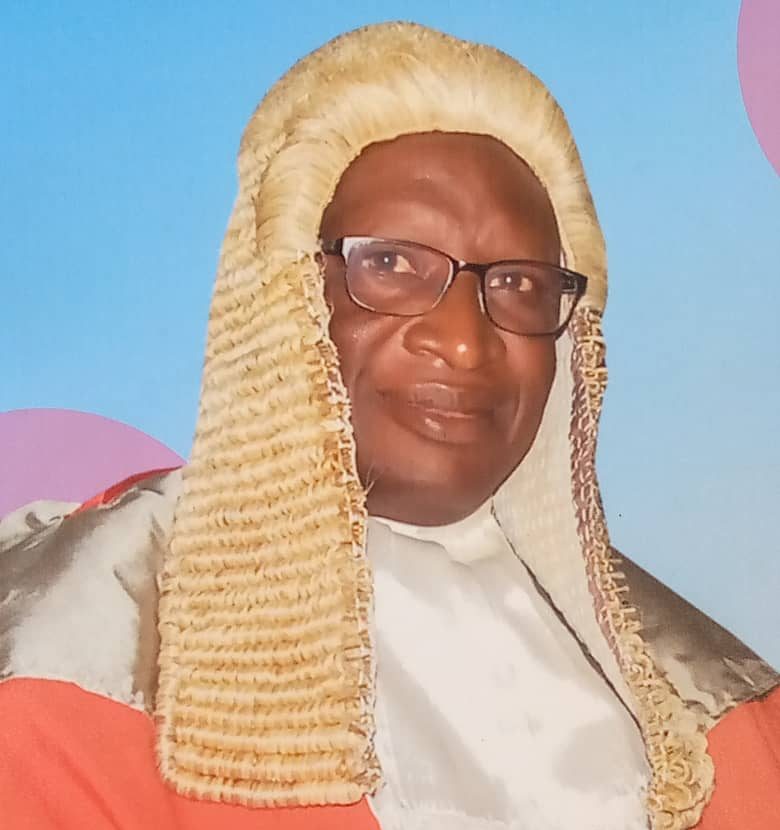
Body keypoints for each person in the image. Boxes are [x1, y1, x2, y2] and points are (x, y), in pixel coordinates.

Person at [1, 21, 778, 830]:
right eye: (393, 264)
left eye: (518, 283)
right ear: (282, 295)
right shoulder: (75, 648)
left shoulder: (710, 697)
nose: (465, 340)